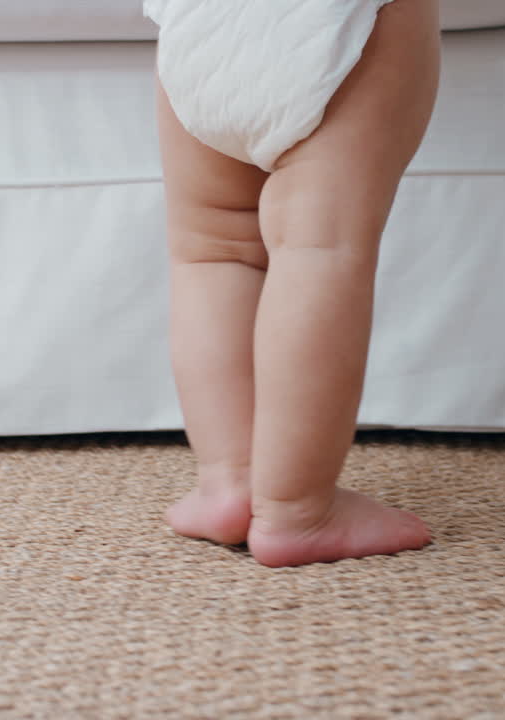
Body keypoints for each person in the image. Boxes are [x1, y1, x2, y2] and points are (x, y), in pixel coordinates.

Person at [147, 0, 442, 567]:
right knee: (317, 249)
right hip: (335, 17)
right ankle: (298, 510)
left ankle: (226, 482)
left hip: (198, 23)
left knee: (212, 253)